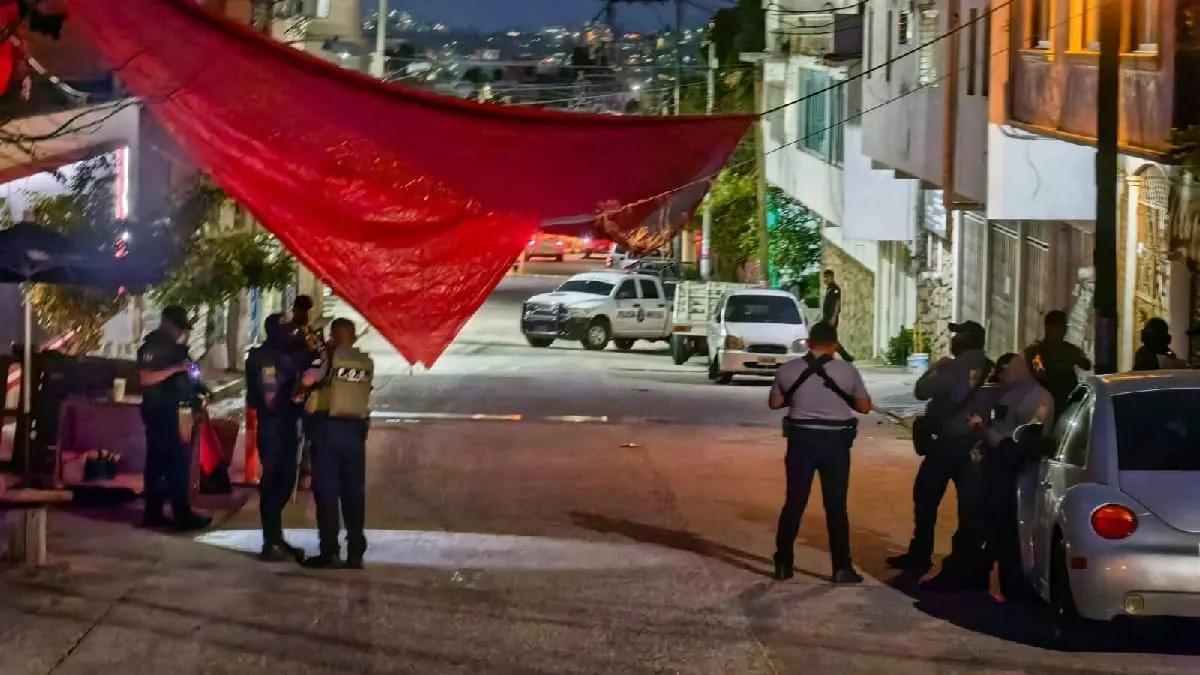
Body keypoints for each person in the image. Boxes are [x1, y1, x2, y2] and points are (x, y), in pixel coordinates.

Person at [886, 320, 992, 589]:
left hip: (946, 445)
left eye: (956, 335)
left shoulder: (950, 367)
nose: (952, 340)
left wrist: (935, 367)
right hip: (977, 447)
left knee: (925, 499)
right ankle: (966, 562)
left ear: (965, 340)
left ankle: (921, 556)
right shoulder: (991, 368)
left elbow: (921, 392)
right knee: (970, 509)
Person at [768, 321, 872, 585]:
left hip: (801, 440)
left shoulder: (788, 369)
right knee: (836, 506)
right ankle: (841, 568)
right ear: (835, 345)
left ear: (808, 343)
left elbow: (775, 403)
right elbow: (864, 407)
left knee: (794, 502)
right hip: (835, 443)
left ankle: (783, 563)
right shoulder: (847, 371)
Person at [970, 352, 1053, 601]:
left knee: (1011, 526)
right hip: (1000, 464)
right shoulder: (1010, 394)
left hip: (1017, 468)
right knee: (996, 521)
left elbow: (1025, 434)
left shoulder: (1039, 397)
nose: (1002, 376)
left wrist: (983, 431)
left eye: (1006, 371)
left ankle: (1016, 583)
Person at [299, 318, 374, 569]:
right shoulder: (365, 362)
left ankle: (329, 551)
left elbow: (308, 382)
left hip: (328, 431)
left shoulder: (328, 360)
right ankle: (355, 552)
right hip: (355, 433)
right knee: (354, 494)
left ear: (333, 336)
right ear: (353, 337)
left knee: (327, 494)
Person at [136, 305, 211, 531]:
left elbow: (188, 375)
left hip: (174, 410)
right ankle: (179, 514)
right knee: (173, 464)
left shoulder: (174, 348)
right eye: (179, 327)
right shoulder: (153, 345)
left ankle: (157, 513)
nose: (181, 333)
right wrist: (177, 369)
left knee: (165, 464)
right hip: (160, 412)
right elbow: (145, 378)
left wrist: (199, 389)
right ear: (168, 323)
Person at [244, 313, 306, 562]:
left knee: (285, 480)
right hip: (275, 427)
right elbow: (271, 398)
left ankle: (275, 536)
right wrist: (295, 397)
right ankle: (271, 541)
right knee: (273, 482)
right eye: (288, 332)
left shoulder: (285, 354)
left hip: (286, 425)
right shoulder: (266, 358)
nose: (292, 335)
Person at [1024, 310, 1091, 419]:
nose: (1064, 331)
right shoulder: (1037, 351)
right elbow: (1040, 373)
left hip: (1070, 404)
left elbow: (1087, 365)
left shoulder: (1068, 349)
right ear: (1049, 328)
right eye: (1060, 327)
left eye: (1064, 327)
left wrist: (1074, 359)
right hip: (1046, 404)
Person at [289, 295, 324, 492]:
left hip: (309, 389)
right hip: (293, 389)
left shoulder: (311, 333)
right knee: (295, 433)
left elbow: (318, 357)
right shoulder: (291, 334)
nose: (307, 314)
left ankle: (305, 472)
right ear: (295, 309)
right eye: (303, 310)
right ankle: (295, 472)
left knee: (309, 433)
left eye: (309, 310)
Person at [820, 270, 854, 362]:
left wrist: (834, 318)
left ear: (832, 277)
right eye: (824, 277)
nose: (825, 279)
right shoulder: (828, 289)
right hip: (826, 318)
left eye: (827, 277)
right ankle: (843, 357)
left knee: (831, 339)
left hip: (831, 318)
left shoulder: (836, 289)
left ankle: (846, 357)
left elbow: (837, 304)